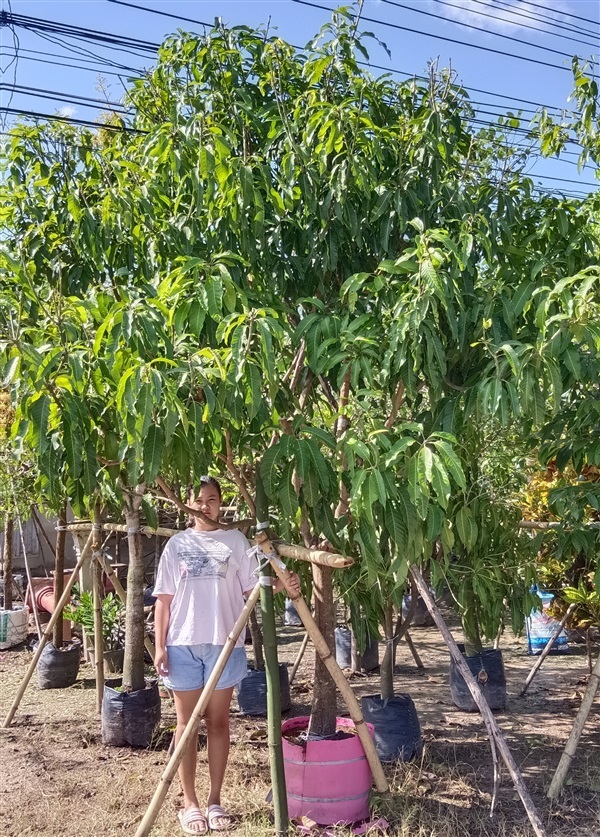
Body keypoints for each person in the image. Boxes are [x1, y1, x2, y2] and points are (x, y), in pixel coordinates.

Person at [153, 476, 300, 835]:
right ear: (188, 505)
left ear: (222, 504)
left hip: (226, 643)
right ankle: (190, 805)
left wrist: (283, 586)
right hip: (183, 645)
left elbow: (254, 590)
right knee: (186, 727)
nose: (206, 505)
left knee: (219, 723)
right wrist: (159, 646)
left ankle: (215, 799)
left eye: (213, 499)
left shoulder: (236, 541)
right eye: (200, 500)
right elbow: (163, 600)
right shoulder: (176, 544)